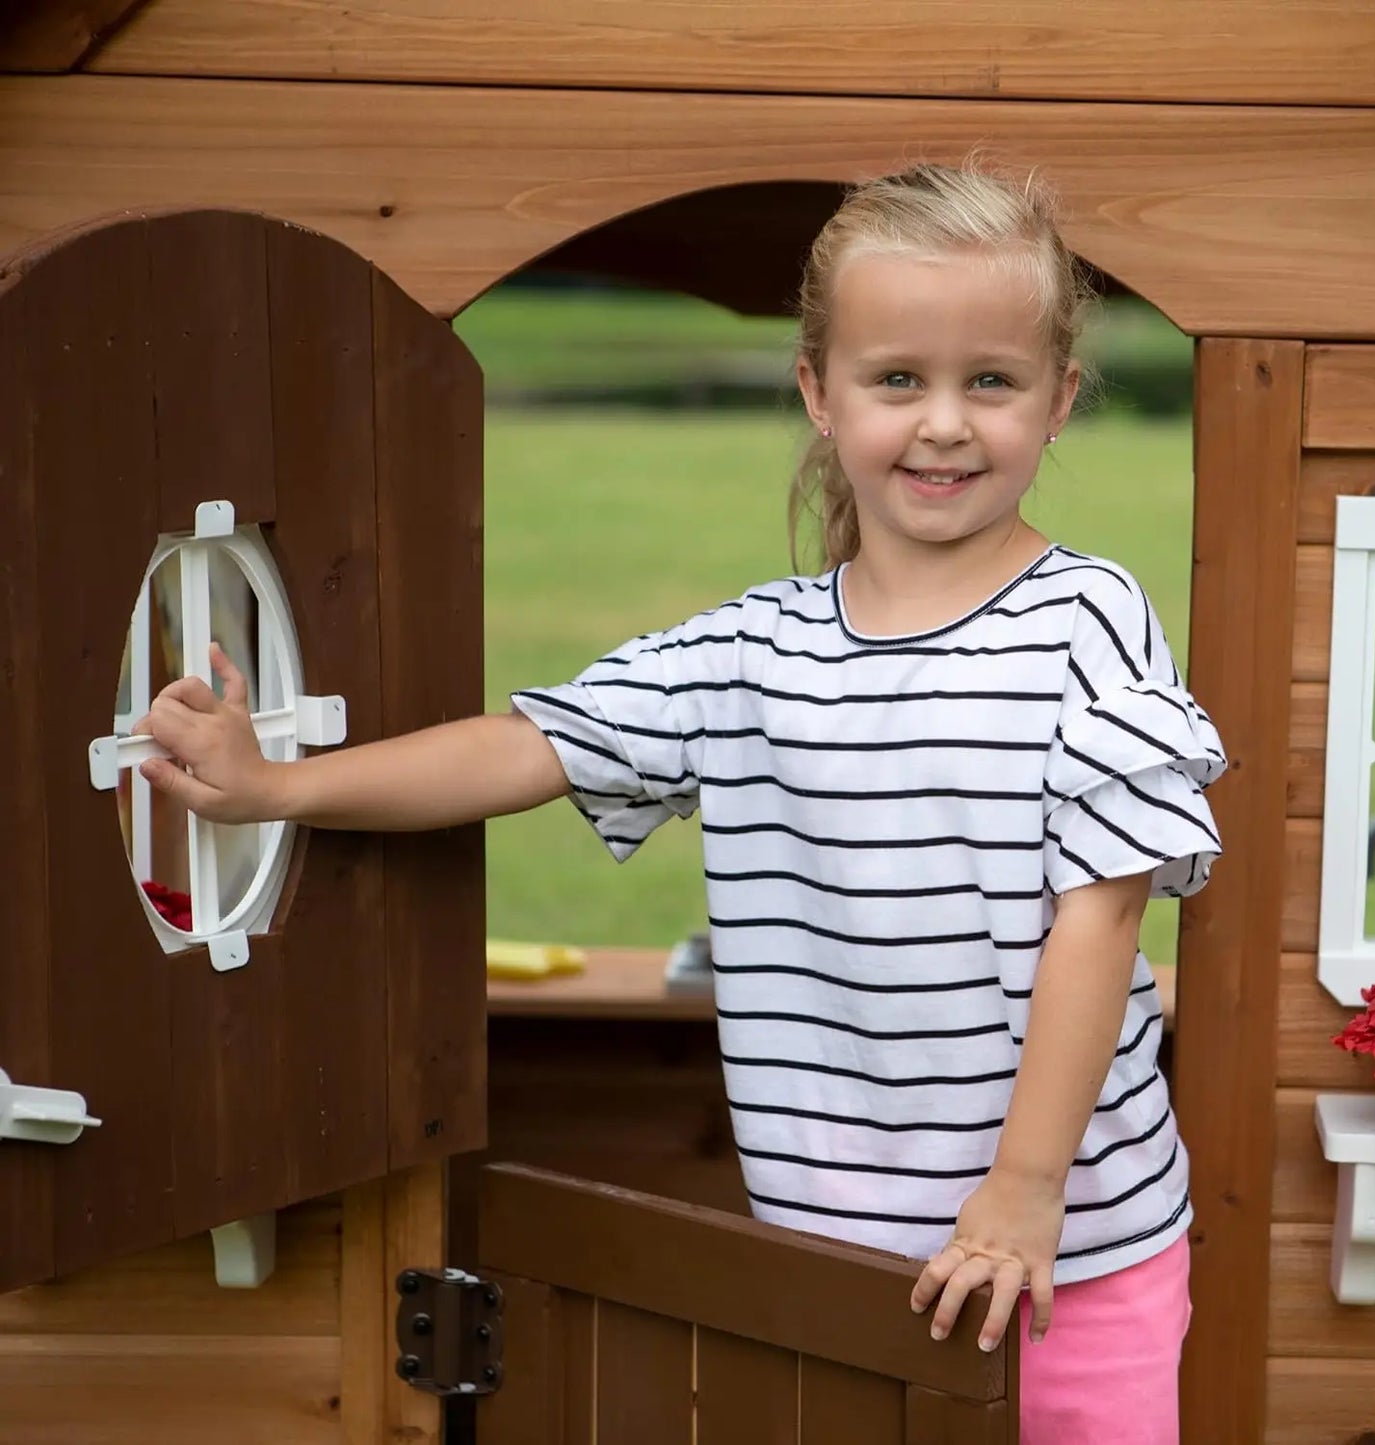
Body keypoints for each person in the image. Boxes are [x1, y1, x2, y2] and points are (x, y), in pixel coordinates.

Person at [137, 162, 1225, 1444]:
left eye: (989, 379)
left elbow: (1096, 924)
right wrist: (278, 783)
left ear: (1058, 404)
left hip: (1070, 1251)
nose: (943, 422)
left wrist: (1023, 1188)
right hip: (827, 1266)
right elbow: (521, 747)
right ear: (819, 394)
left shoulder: (1085, 620)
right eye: (896, 379)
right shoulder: (749, 654)